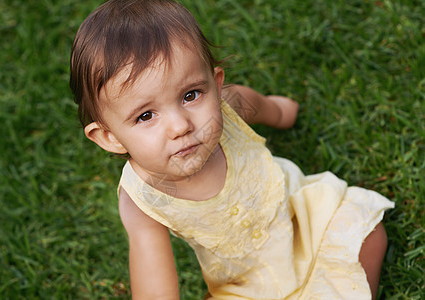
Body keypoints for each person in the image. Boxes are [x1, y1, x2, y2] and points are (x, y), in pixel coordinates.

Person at [69, 0, 394, 299]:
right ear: (110, 137)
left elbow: (265, 107)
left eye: (191, 95)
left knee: (369, 234)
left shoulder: (231, 105)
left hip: (302, 219)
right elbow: (155, 286)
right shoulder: (142, 198)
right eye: (146, 116)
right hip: (244, 283)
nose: (180, 125)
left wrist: (284, 113)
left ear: (216, 84)